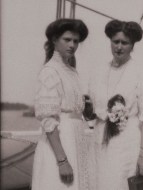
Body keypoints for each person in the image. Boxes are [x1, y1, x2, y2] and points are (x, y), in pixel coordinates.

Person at [89, 20, 143, 190]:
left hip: (128, 144)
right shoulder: (99, 71)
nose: (119, 47)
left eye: (124, 43)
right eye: (115, 41)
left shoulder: (142, 72)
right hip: (100, 143)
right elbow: (93, 107)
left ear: (132, 45)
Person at [32, 18, 96, 190]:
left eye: (76, 41)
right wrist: (62, 161)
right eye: (67, 40)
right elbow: (48, 119)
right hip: (60, 144)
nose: (72, 45)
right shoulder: (49, 72)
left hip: (77, 140)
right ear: (54, 40)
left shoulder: (72, 72)